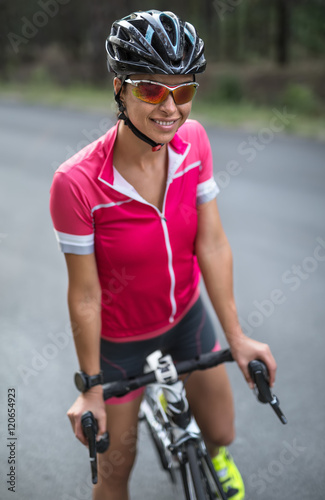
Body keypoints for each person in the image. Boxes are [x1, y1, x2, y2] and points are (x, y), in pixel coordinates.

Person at [50, 9, 276, 500]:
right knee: (115, 474)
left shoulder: (194, 143)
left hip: (187, 320)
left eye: (184, 90)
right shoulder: (76, 183)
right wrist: (91, 385)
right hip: (121, 344)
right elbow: (85, 293)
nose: (170, 107)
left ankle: (214, 457)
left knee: (220, 433)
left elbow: (211, 243)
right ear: (119, 88)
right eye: (151, 89)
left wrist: (237, 337)